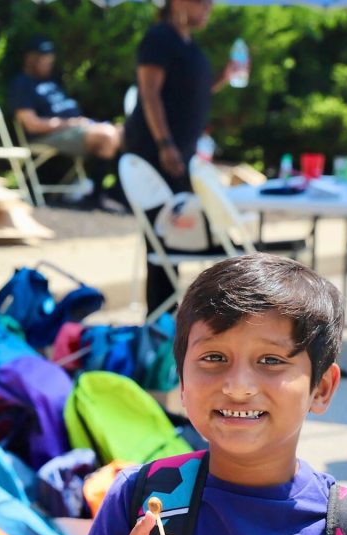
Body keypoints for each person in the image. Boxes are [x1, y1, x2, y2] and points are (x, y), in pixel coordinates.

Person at [73, 253, 347, 535]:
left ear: (322, 388)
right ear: (181, 379)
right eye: (214, 358)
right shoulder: (141, 505)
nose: (237, 386)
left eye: (271, 361)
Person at [126, 0, 240, 314]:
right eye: (202, 2)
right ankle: (160, 321)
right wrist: (165, 143)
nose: (209, 8)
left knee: (174, 235)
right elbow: (149, 92)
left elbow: (190, 92)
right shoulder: (160, 37)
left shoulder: (186, 42)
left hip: (180, 153)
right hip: (156, 153)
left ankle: (169, 319)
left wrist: (224, 77)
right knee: (163, 240)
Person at [10, 35, 122, 162]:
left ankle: (99, 180)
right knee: (106, 136)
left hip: (78, 127)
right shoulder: (22, 84)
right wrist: (70, 123)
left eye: (50, 56)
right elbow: (32, 125)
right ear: (30, 58)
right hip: (48, 136)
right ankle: (97, 181)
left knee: (123, 133)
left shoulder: (53, 80)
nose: (48, 60)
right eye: (42, 57)